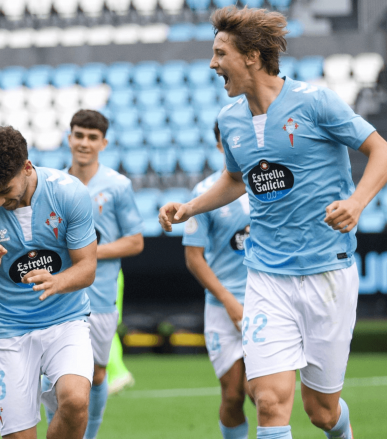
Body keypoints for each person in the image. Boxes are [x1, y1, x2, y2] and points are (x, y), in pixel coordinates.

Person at [160, 6, 387, 439]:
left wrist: (357, 202)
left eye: (220, 53)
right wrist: (192, 208)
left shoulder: (315, 101)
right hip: (265, 276)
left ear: (251, 56)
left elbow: (381, 150)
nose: (212, 63)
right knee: (267, 400)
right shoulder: (230, 120)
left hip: (327, 272)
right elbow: (234, 178)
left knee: (321, 411)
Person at [0, 125, 97, 439]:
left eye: (5, 191)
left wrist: (57, 282)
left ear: (27, 167)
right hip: (8, 331)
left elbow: (87, 269)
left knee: (75, 401)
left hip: (66, 321)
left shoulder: (69, 193)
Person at [42, 109, 144, 439]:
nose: (84, 143)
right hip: (59, 296)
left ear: (104, 142)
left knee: (98, 374)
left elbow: (135, 241)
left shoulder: (118, 186)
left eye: (92, 137)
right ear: (69, 138)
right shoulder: (50, 185)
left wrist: (86, 252)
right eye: (79, 135)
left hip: (100, 297)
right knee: (52, 376)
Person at [182, 122, 253, 439]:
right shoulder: (203, 193)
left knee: (261, 392)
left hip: (265, 300)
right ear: (220, 146)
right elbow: (193, 257)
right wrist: (227, 300)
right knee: (233, 395)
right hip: (223, 308)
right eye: (228, 141)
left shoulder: (269, 184)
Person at [105, 269, 135, 396]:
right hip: (102, 276)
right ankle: (112, 375)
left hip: (105, 277)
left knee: (106, 327)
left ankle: (118, 372)